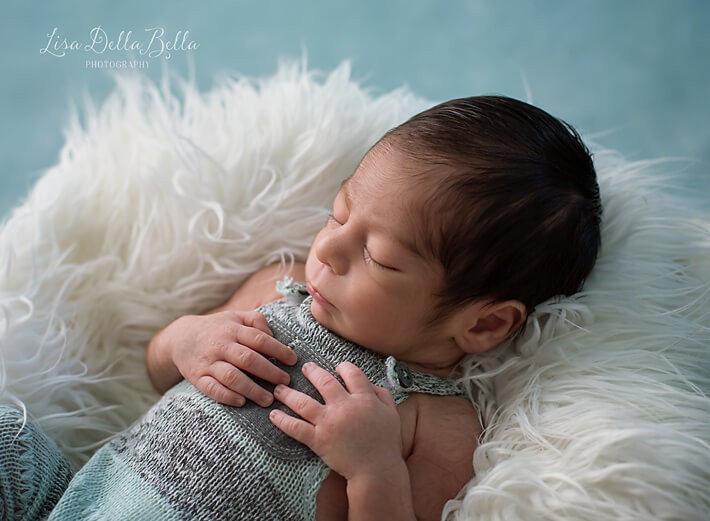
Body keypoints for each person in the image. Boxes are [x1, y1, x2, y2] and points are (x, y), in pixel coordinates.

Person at [24, 95, 599, 520]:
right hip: (76, 501)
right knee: (9, 433)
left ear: (483, 322)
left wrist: (374, 468)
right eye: (339, 213)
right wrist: (186, 340)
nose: (327, 249)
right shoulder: (276, 287)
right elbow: (157, 374)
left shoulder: (439, 421)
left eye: (379, 258)